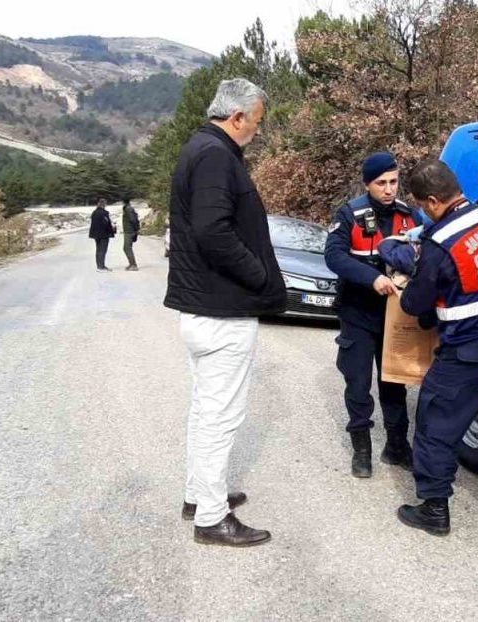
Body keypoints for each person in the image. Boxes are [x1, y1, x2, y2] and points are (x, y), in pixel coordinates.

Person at [382, 159, 478, 540]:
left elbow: (415, 304)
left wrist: (404, 276)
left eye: (423, 206)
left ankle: (434, 509)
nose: (423, 212)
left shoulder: (439, 243)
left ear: (433, 202)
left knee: (434, 426)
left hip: (465, 353)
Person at [163, 78, 287, 548]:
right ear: (237, 117)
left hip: (205, 309)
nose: (257, 130)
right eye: (256, 122)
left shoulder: (201, 149)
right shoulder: (215, 155)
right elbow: (214, 232)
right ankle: (212, 518)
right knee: (220, 417)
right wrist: (260, 276)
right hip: (221, 311)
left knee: (205, 411)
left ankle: (199, 496)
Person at [324, 152, 422, 478]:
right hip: (358, 311)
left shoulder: (411, 216)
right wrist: (372, 278)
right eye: (381, 183)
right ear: (368, 184)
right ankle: (362, 450)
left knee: (394, 383)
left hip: (395, 315)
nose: (389, 189)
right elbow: (334, 257)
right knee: (358, 383)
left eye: (394, 181)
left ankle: (396, 446)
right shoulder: (349, 213)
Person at [88, 198, 115, 272]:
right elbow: (107, 223)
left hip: (95, 234)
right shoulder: (104, 213)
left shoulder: (94, 212)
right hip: (104, 234)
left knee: (98, 250)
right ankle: (101, 267)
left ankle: (99, 266)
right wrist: (111, 230)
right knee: (102, 250)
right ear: (104, 204)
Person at [121, 199, 141, 271]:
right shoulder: (127, 208)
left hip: (129, 231)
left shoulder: (128, 209)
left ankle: (133, 265)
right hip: (129, 231)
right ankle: (131, 264)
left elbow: (133, 220)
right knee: (127, 248)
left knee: (127, 248)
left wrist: (136, 230)